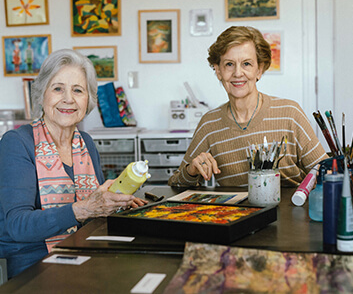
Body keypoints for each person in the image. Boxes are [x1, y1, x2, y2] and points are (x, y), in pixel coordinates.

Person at [0, 49, 147, 279]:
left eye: (77, 90)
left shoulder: (85, 142)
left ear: (87, 99)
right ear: (41, 95)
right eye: (58, 88)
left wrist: (116, 202)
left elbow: (93, 208)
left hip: (84, 250)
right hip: (34, 264)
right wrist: (84, 208)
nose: (68, 98)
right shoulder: (17, 142)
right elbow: (18, 225)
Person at [168, 26, 328, 188]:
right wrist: (191, 171)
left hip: (289, 211)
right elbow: (176, 183)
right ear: (218, 71)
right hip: (236, 213)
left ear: (259, 70)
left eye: (246, 64)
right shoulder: (209, 124)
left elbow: (325, 172)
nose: (238, 73)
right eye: (229, 64)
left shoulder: (290, 114)